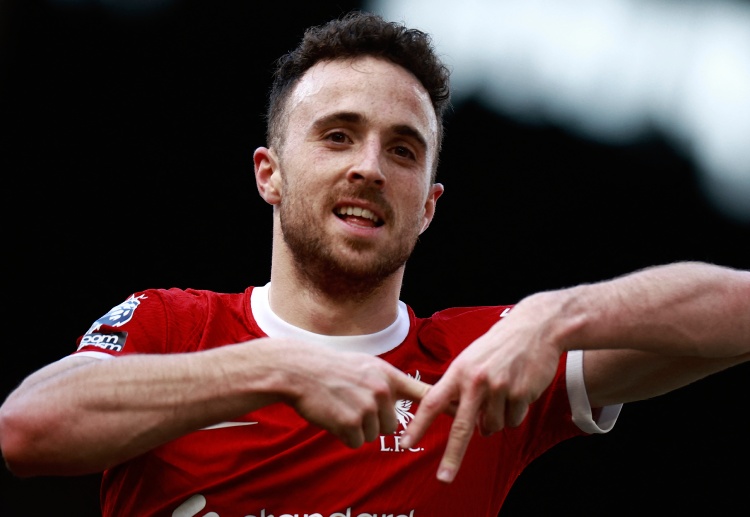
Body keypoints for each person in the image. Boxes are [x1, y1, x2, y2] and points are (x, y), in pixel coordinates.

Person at [1, 9, 749, 517]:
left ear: (428, 204)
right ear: (269, 173)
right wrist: (285, 370)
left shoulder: (478, 360)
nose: (369, 167)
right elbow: (27, 429)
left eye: (403, 149)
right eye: (337, 135)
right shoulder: (171, 324)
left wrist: (556, 316)